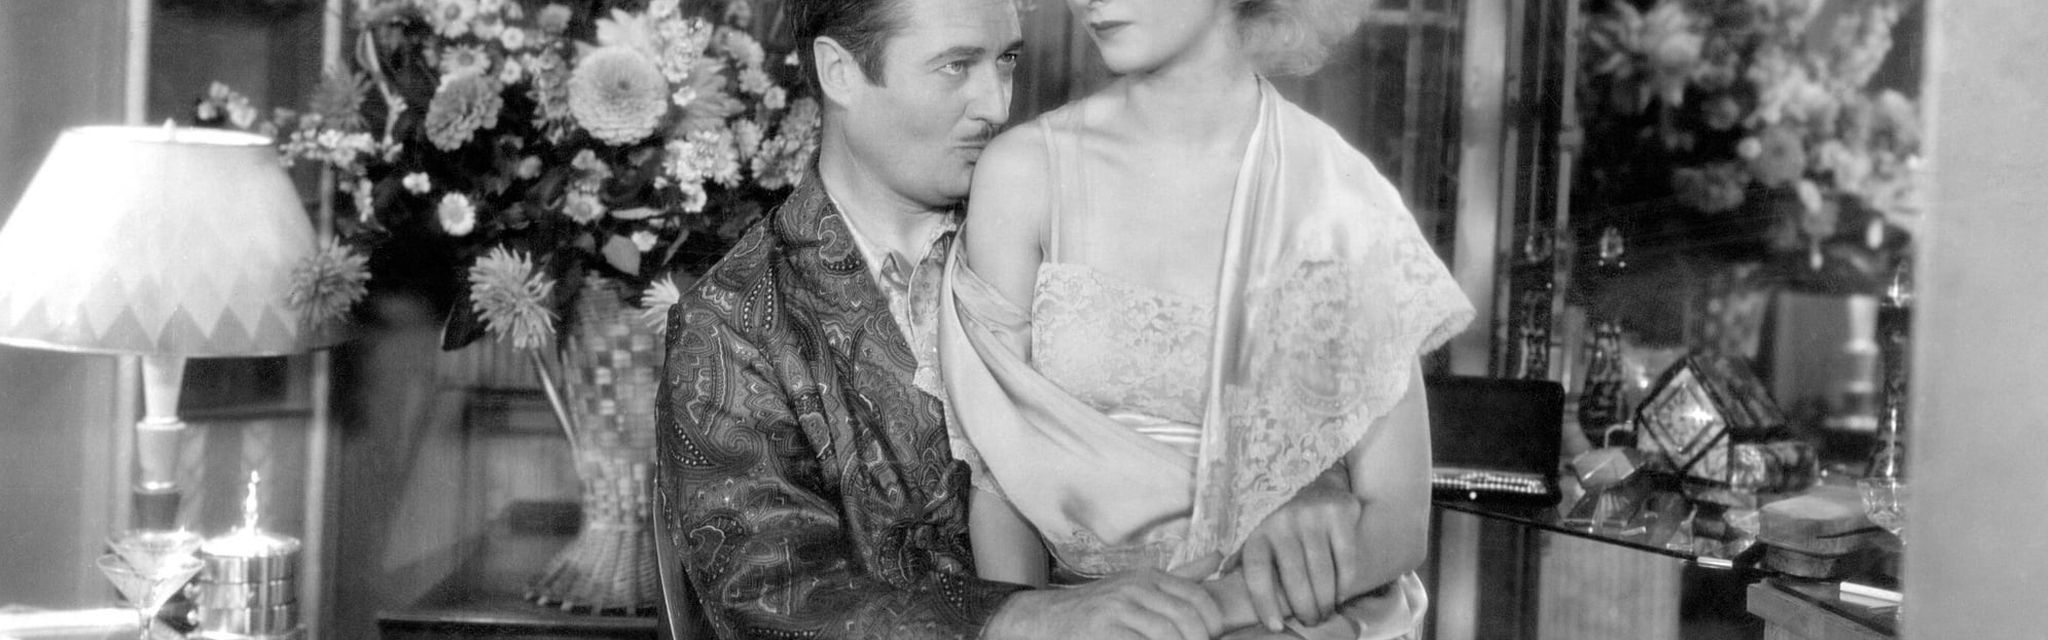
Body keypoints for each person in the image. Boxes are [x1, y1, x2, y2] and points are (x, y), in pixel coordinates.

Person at [656, 0, 1238, 638]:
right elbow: (774, 598)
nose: (997, 105)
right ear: (839, 72)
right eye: (956, 66)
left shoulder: (1079, 240)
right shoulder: (731, 322)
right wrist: (1028, 617)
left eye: (1006, 61)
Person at [940, 0, 1477, 637]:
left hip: (1286, 619)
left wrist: (1206, 613)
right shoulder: (1024, 172)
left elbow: (1397, 522)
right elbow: (998, 478)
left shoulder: (1338, 193)